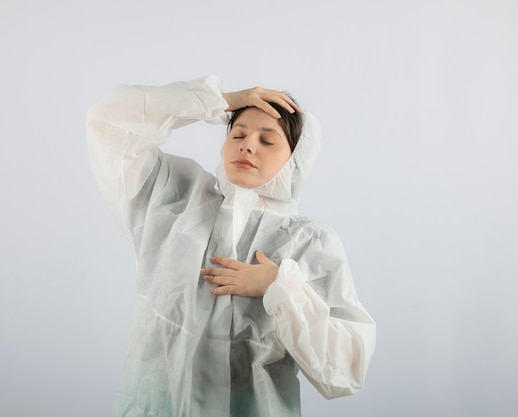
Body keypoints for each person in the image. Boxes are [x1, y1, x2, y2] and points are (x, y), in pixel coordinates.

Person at [86, 75, 376, 417]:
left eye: (267, 141)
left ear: (295, 160)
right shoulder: (173, 200)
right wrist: (218, 100)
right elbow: (108, 121)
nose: (247, 145)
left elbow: (347, 370)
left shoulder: (310, 245)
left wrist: (280, 286)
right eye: (238, 134)